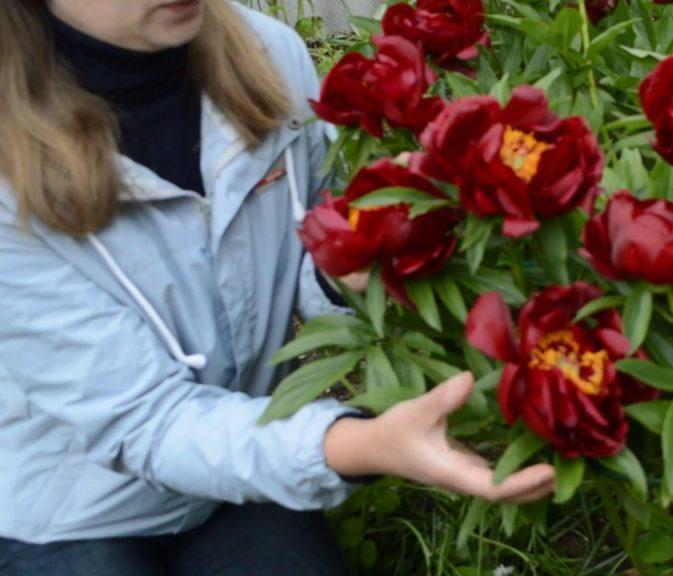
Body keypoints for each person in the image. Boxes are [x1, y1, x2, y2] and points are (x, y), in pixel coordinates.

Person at [0, 1, 555, 574]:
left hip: (242, 465)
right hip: (68, 512)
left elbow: (311, 253)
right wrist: (358, 446)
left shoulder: (267, 56)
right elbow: (143, 421)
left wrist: (349, 264)